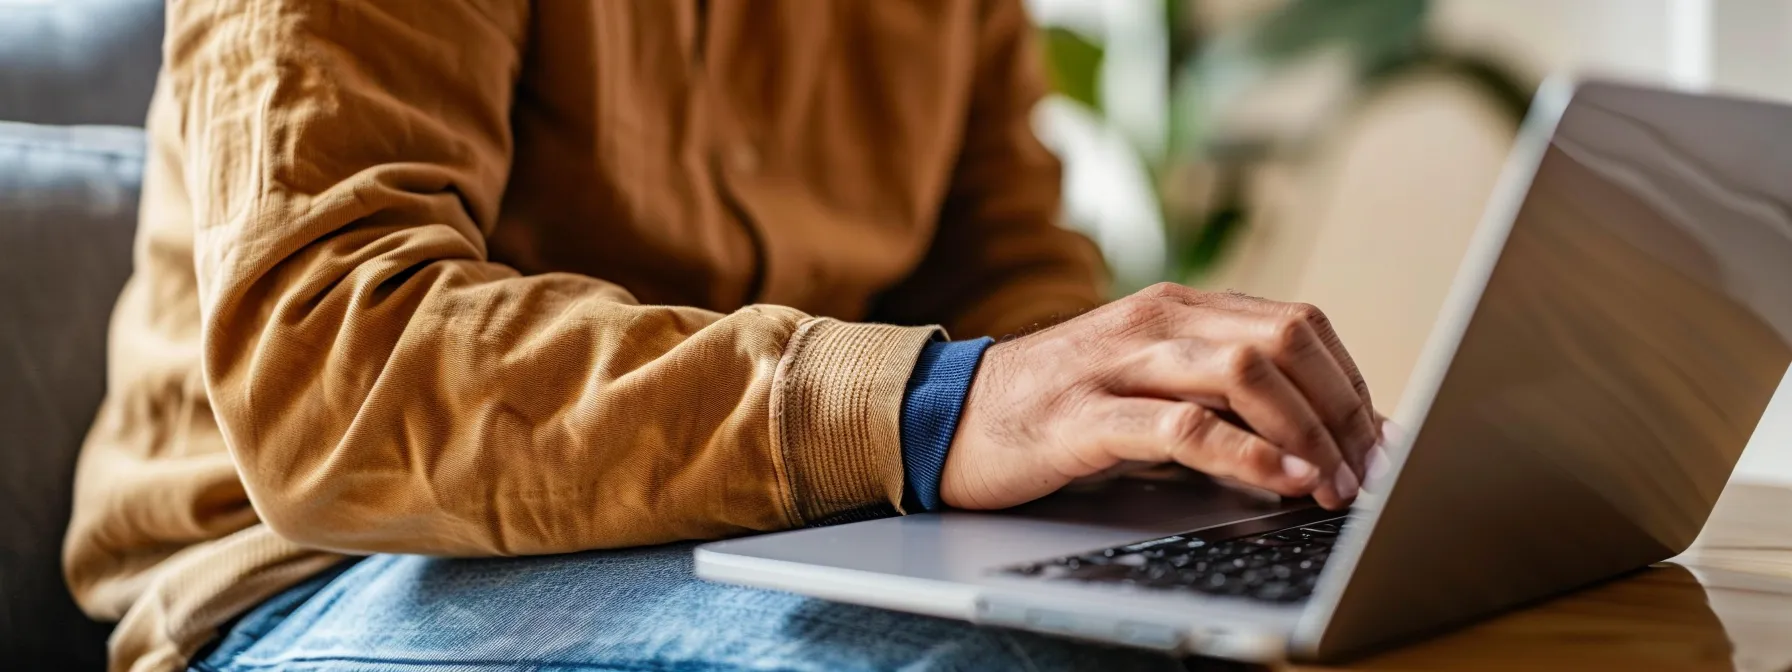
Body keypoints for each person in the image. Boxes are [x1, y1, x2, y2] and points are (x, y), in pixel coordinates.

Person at [64, 2, 1381, 670]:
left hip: (782, 533)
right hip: (315, 564)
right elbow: (337, 362)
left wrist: (1144, 430)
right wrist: (928, 408)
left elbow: (1003, 266)